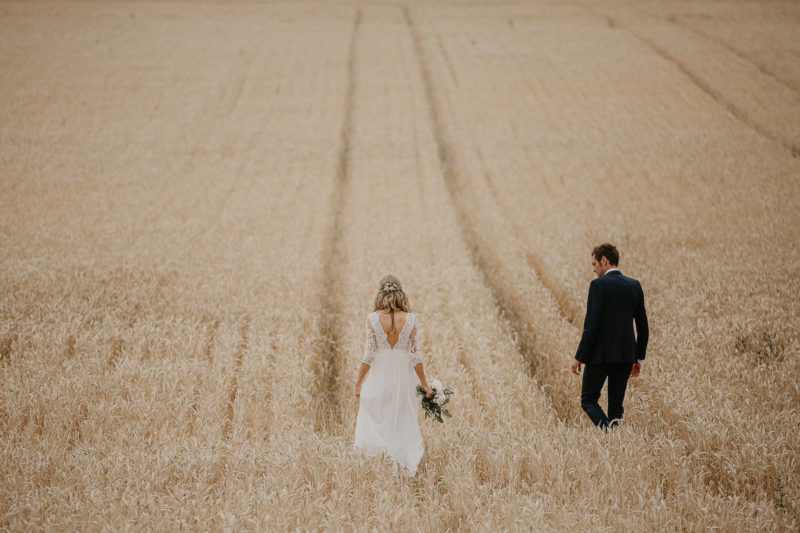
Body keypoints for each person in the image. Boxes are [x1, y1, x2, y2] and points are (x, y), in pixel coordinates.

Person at [354, 274, 432, 475]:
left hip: (380, 374)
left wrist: (358, 382)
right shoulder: (411, 319)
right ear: (401, 294)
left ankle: (382, 459)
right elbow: (415, 356)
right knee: (402, 418)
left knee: (376, 415)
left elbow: (368, 355)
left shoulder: (372, 319)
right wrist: (425, 384)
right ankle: (401, 462)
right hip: (402, 378)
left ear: (381, 295)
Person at [571, 243, 649, 430]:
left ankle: (610, 436)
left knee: (588, 400)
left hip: (600, 356)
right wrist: (638, 357)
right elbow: (643, 327)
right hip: (624, 356)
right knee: (616, 409)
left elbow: (591, 326)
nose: (594, 269)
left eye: (595, 264)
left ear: (604, 261)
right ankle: (616, 442)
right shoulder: (634, 286)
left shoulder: (598, 286)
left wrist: (579, 357)